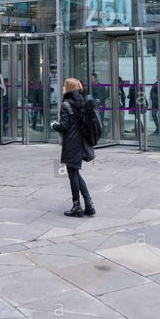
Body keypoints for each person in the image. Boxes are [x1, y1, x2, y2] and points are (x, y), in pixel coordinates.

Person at [51, 77, 95, 218]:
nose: (63, 87)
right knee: (75, 173)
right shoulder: (82, 101)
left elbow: (64, 126)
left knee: (72, 174)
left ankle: (77, 206)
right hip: (81, 141)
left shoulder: (66, 104)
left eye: (65, 85)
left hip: (71, 142)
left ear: (69, 87)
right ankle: (89, 204)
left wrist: (54, 125)